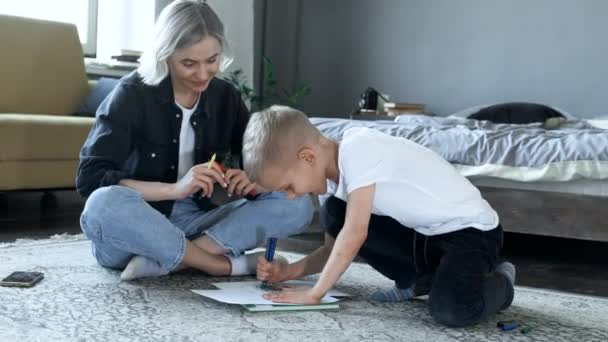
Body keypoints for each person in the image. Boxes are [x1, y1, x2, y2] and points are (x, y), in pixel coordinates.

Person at [76, 1, 313, 281]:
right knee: (103, 203)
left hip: (198, 225)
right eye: (188, 63)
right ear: (165, 55)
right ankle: (220, 265)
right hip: (135, 229)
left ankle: (170, 260)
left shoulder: (225, 97)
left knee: (296, 201)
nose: (202, 74)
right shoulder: (131, 94)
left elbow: (260, 159)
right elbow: (90, 179)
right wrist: (174, 189)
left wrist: (255, 179)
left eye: (211, 61)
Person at [241, 105, 515, 327]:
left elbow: (355, 234)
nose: (291, 195)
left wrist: (315, 294)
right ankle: (421, 279)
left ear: (308, 157)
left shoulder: (359, 148)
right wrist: (289, 271)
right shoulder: (331, 185)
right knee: (335, 213)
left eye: (288, 187)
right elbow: (332, 249)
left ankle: (502, 281)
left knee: (453, 311)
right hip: (426, 237)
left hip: (471, 233)